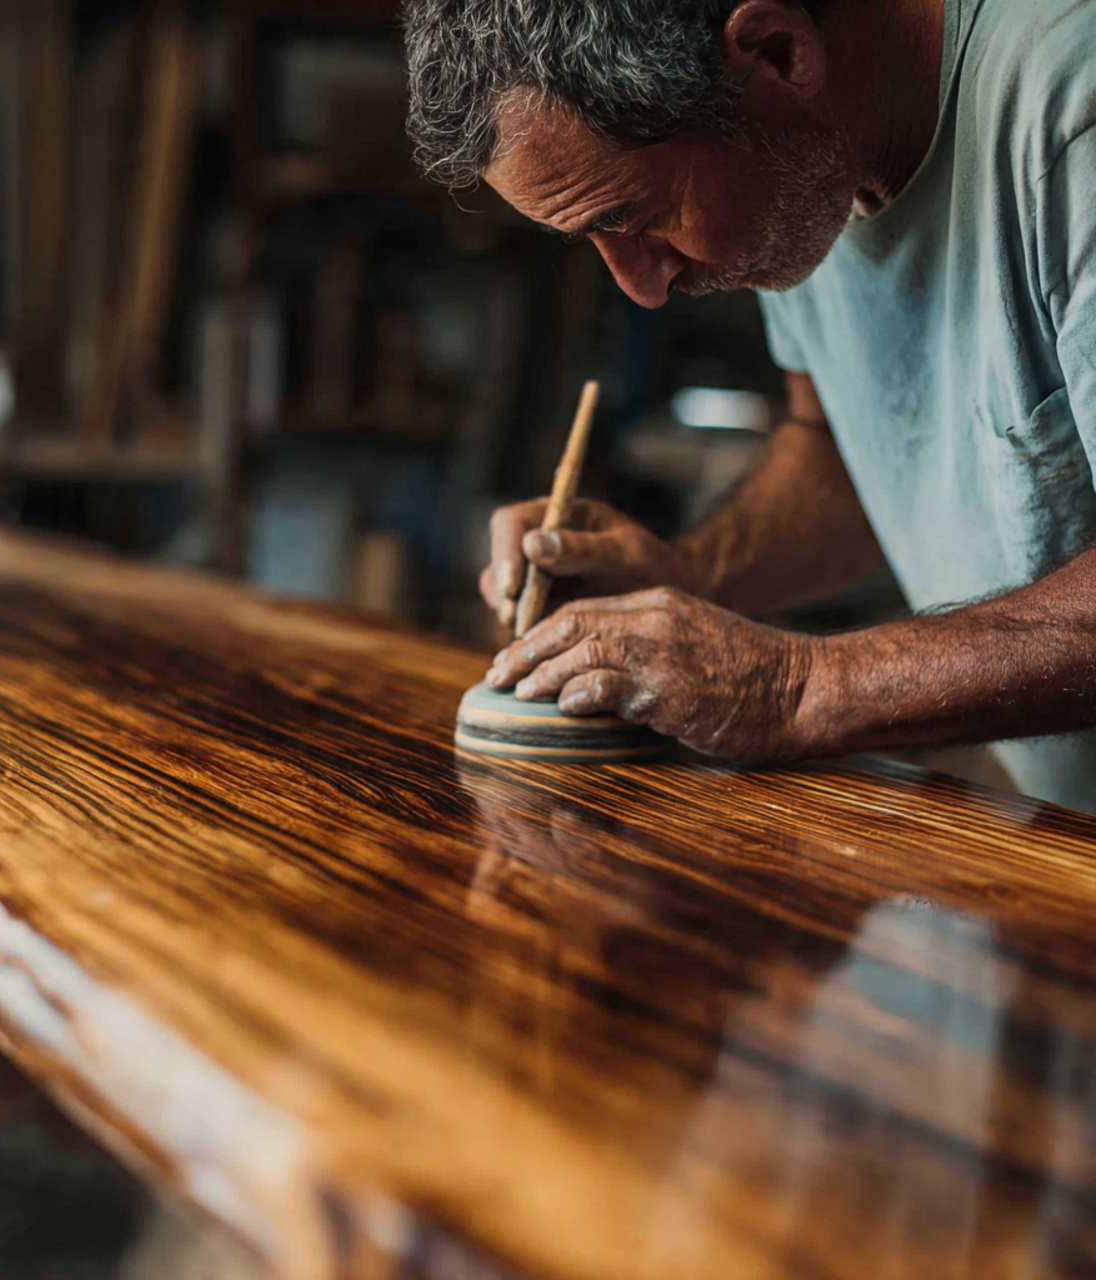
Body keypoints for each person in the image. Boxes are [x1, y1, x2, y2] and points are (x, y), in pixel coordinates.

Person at [403, 0, 1096, 812]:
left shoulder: (1070, 113)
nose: (644, 286)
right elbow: (844, 452)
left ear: (777, 53)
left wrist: (800, 690)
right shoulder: (805, 156)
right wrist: (687, 576)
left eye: (639, 218)